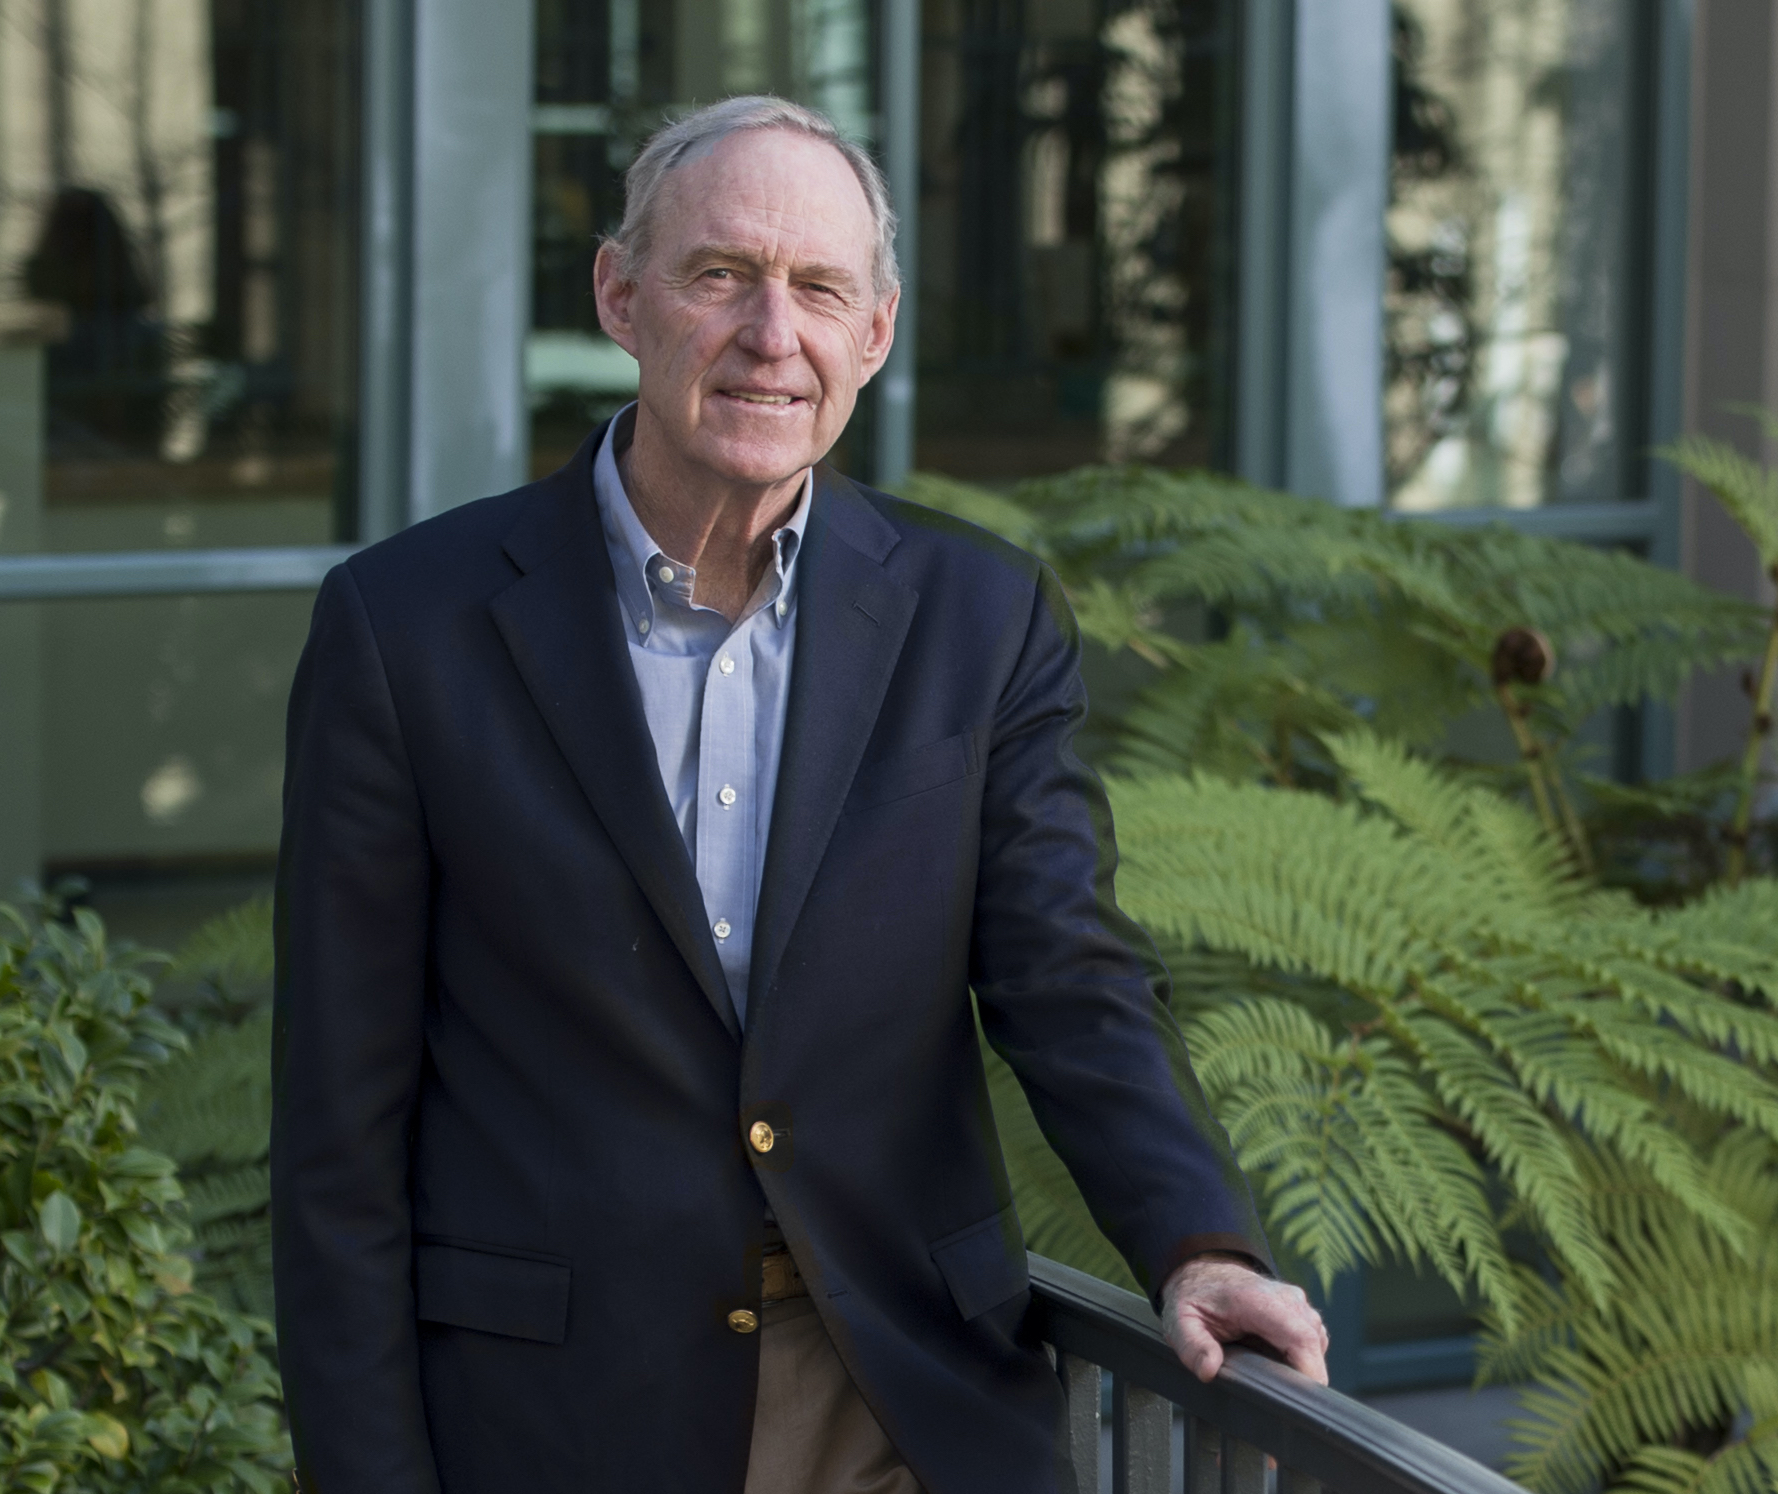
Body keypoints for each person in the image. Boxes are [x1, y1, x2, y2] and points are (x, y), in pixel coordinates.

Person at [271, 95, 1328, 1494]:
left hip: (896, 1391)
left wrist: (1197, 1242)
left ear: (874, 333)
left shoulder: (979, 619)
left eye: (821, 288)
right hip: (554, 1417)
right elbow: (339, 1132)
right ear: (621, 294)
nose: (775, 334)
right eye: (722, 275)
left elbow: (1066, 975)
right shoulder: (407, 628)